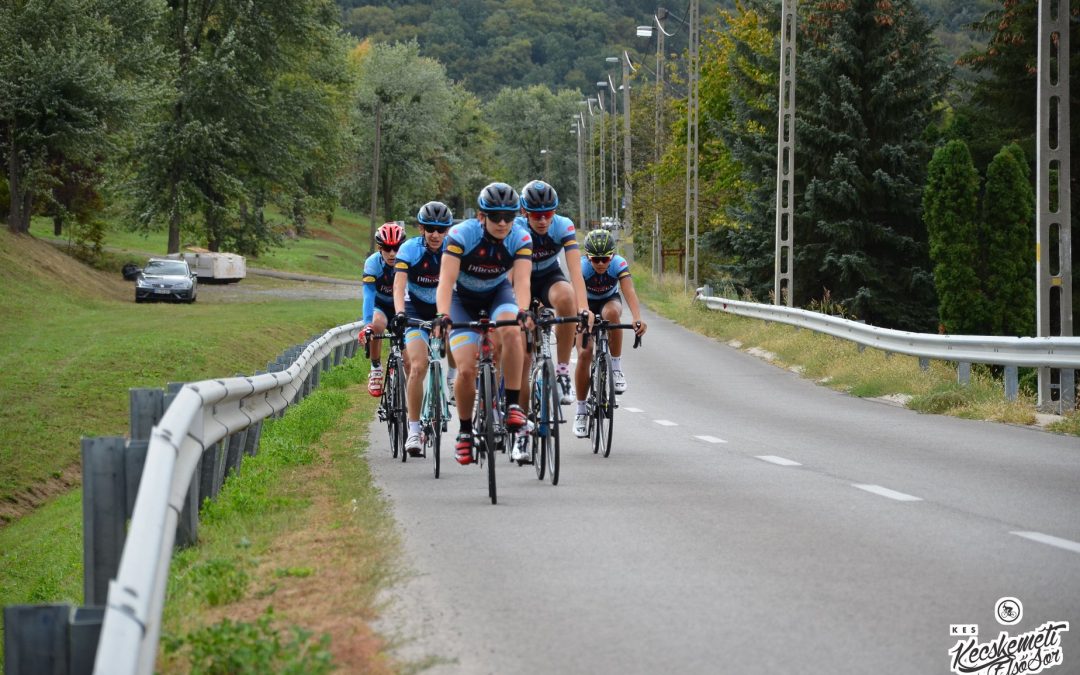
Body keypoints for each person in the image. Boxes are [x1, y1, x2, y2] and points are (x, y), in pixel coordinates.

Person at [432, 182, 533, 465]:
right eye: (495, 216)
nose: (503, 223)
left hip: (497, 295)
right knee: (465, 370)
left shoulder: (521, 238)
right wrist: (442, 314)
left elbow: (522, 281)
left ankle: (512, 404)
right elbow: (446, 281)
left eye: (509, 217)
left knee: (513, 329)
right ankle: (465, 432)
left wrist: (523, 310)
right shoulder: (461, 235)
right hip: (462, 301)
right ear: (481, 216)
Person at [512, 180, 589, 461]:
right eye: (536, 215)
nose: (543, 220)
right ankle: (520, 433)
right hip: (518, 280)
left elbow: (575, 271)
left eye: (548, 213)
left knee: (567, 297)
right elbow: (512, 275)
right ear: (524, 212)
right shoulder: (516, 229)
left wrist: (584, 308)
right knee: (521, 361)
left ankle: (561, 370)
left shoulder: (562, 225)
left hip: (547, 277)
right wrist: (521, 309)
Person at [392, 201, 454, 457]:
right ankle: (414, 430)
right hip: (416, 309)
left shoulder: (453, 249)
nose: (436, 234)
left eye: (441, 229)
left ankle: (451, 379)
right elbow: (398, 286)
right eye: (430, 228)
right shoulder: (409, 250)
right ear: (421, 228)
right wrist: (399, 314)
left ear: (447, 230)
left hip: (444, 305)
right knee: (417, 366)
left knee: (458, 331)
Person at [573, 228, 647, 438]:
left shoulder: (618, 264)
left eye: (605, 259)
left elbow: (628, 290)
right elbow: (575, 296)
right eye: (595, 259)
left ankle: (615, 368)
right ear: (588, 257)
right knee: (585, 353)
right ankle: (580, 411)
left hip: (608, 300)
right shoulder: (582, 267)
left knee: (613, 313)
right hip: (584, 303)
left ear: (612, 256)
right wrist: (581, 319)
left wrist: (637, 317)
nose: (600, 264)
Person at [360, 222, 405, 397]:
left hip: (402, 305)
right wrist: (367, 325)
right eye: (387, 248)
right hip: (382, 306)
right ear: (380, 247)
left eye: (396, 248)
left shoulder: (409, 259)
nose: (392, 253)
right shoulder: (372, 263)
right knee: (377, 325)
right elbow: (368, 295)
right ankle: (376, 368)